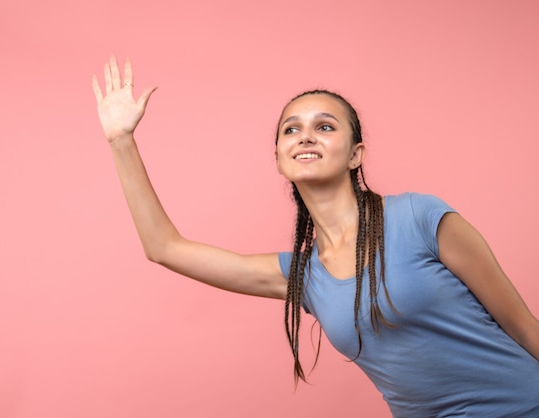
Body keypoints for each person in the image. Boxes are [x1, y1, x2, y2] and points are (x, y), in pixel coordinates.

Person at [92, 55, 539, 417]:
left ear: (355, 155)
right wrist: (120, 141)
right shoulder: (304, 277)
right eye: (292, 129)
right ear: (279, 158)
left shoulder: (421, 217)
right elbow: (165, 248)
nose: (306, 135)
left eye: (325, 126)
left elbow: (521, 326)